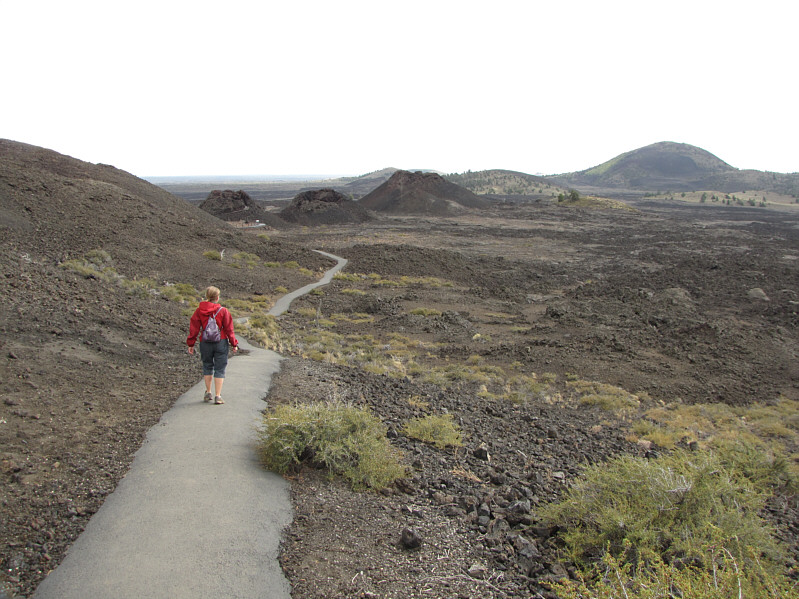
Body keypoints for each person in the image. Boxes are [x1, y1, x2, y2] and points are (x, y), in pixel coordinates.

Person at [187, 286, 238, 404]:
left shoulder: (199, 311)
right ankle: (218, 395)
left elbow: (194, 328)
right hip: (221, 341)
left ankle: (208, 392)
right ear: (217, 297)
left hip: (205, 342)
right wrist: (234, 343)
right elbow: (229, 329)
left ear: (207, 296)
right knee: (220, 368)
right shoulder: (223, 311)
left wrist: (191, 343)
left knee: (207, 366)